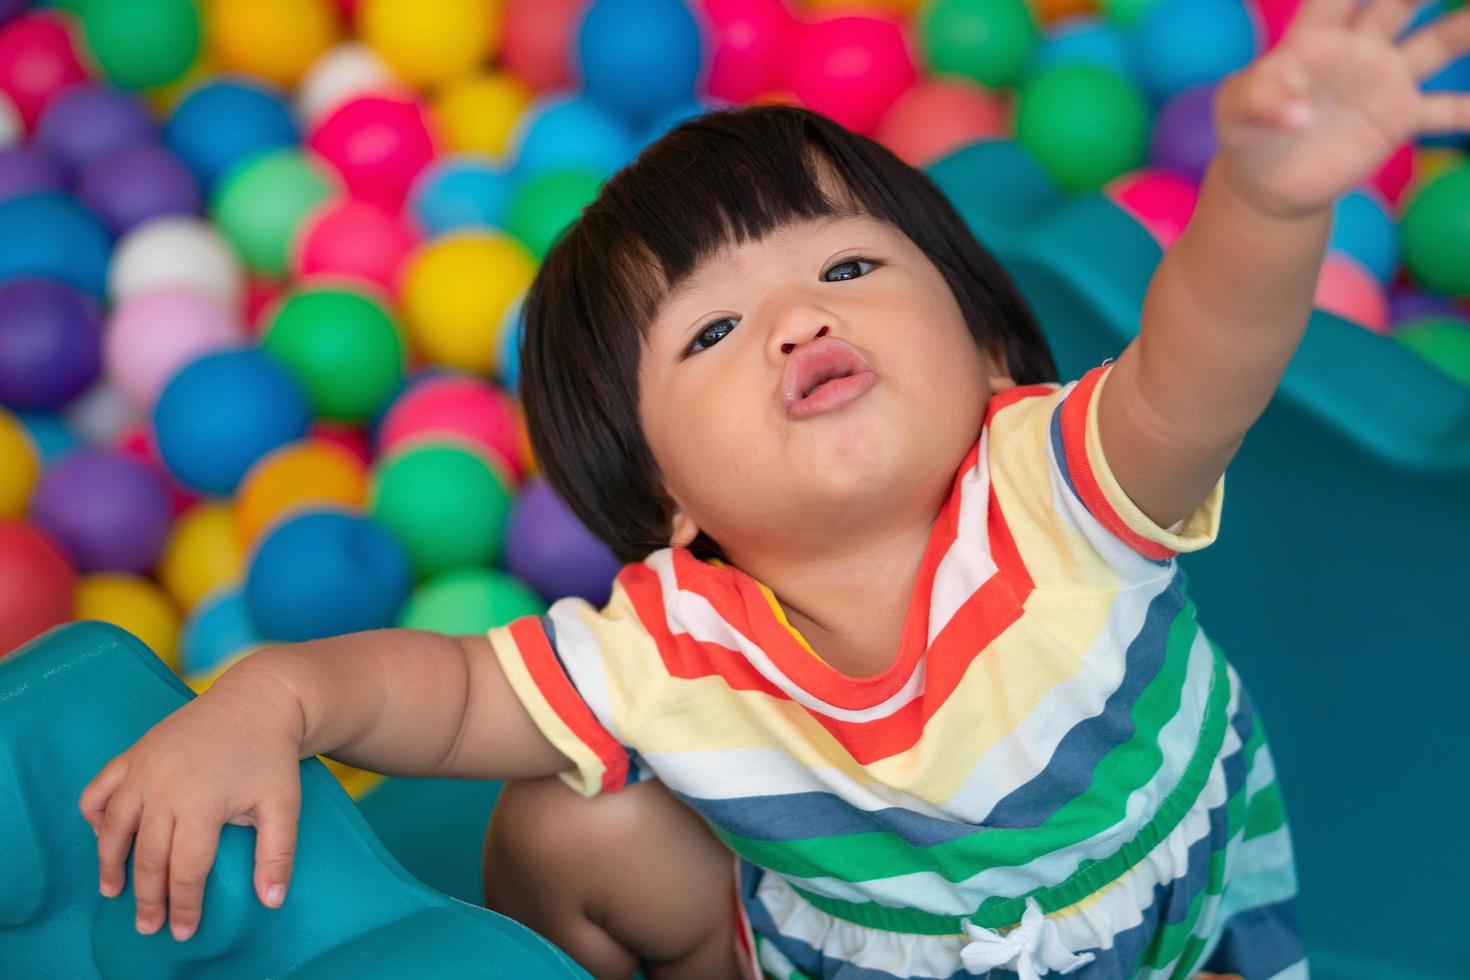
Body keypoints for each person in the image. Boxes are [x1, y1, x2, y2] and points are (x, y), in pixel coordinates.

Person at [80, 2, 1470, 976]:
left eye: (848, 269)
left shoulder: (1058, 491)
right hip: (841, 959)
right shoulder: (674, 642)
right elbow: (443, 692)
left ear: (988, 348)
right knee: (571, 815)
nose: (797, 320)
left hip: (1151, 945)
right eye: (708, 334)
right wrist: (272, 697)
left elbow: (1207, 353)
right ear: (668, 496)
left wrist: (1270, 200)